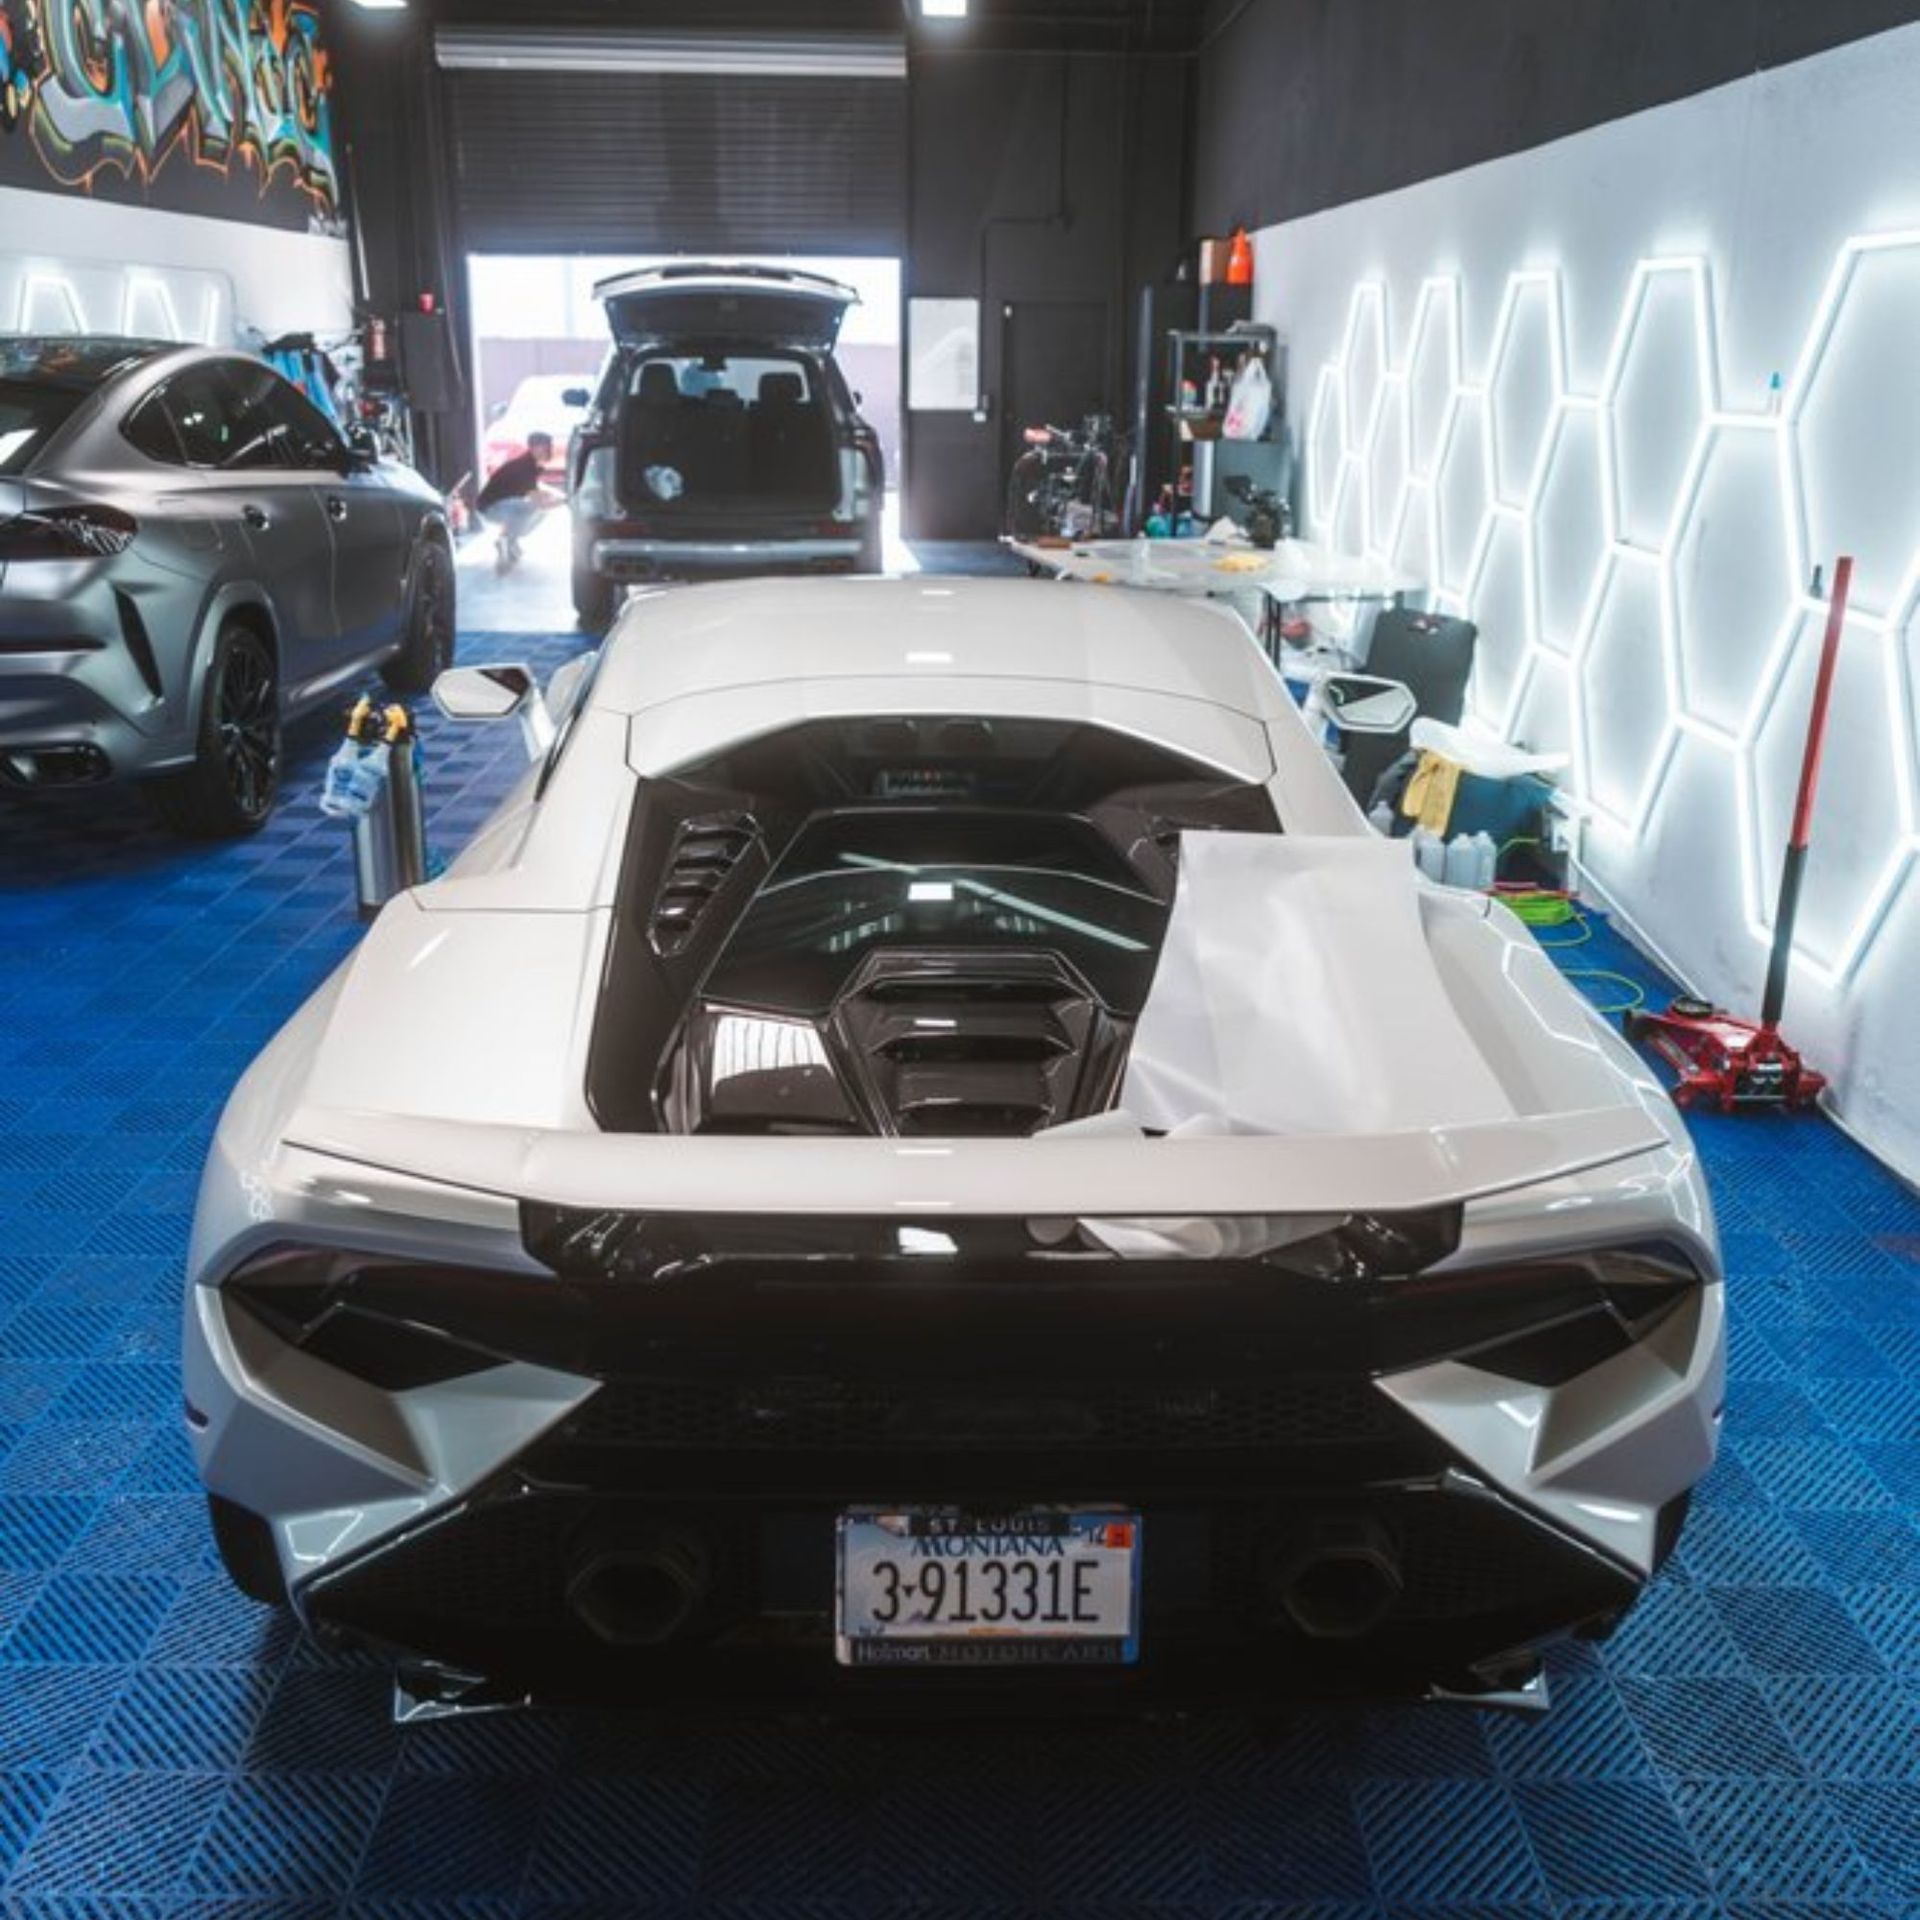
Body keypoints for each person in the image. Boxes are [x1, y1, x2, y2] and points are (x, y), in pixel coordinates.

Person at [475, 431, 563, 572]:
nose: (549, 449)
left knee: (536, 509)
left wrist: (555, 498)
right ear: (536, 448)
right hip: (489, 508)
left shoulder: (529, 465)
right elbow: (536, 499)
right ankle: (505, 540)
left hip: (500, 505)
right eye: (546, 446)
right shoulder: (524, 466)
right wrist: (565, 501)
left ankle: (511, 539)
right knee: (530, 507)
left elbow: (537, 495)